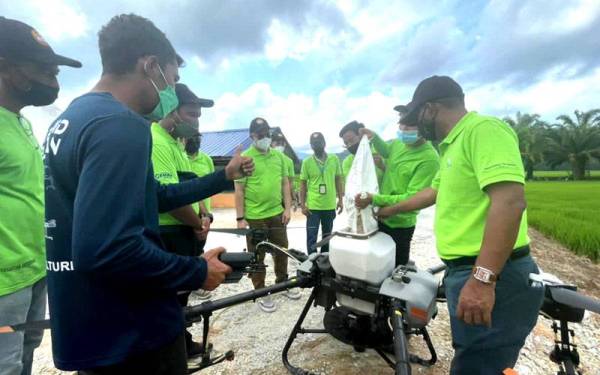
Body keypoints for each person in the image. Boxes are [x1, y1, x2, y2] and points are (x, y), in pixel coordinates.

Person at [43, 14, 253, 374]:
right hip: (133, 332)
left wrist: (221, 178)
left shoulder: (74, 118)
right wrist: (195, 270)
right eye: (172, 80)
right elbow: (107, 249)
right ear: (150, 65)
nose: (171, 91)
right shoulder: (120, 125)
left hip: (94, 326)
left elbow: (153, 194)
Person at [377, 76, 543, 374]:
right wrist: (390, 210)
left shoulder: (483, 130)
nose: (415, 126)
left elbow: (509, 203)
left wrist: (482, 280)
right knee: (472, 355)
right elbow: (434, 191)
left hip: (493, 273)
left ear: (430, 109)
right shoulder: (451, 146)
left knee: (480, 366)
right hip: (469, 271)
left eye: (417, 118)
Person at [0, 17, 81, 375]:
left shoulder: (21, 122)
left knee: (26, 356)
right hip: (3, 283)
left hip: (33, 270)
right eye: (44, 70)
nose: (54, 81)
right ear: (6, 68)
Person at [150, 83, 215, 357]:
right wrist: (195, 223)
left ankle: (181, 343)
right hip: (168, 232)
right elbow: (170, 199)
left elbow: (189, 188)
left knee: (181, 296)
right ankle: (171, 352)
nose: (196, 120)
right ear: (172, 111)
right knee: (168, 298)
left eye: (199, 114)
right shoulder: (156, 141)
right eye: (191, 113)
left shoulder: (177, 144)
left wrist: (204, 216)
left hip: (185, 230)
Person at [354, 106, 439, 266]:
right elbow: (387, 151)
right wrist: (373, 137)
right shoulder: (398, 143)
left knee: (396, 268)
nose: (403, 128)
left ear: (424, 126)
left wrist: (375, 199)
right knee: (376, 264)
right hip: (381, 217)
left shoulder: (428, 159)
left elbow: (412, 198)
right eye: (401, 123)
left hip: (400, 224)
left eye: (410, 124)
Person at [234, 117, 301, 313]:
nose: (265, 138)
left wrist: (287, 208)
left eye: (267, 134)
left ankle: (282, 282)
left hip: (277, 213)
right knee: (257, 255)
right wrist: (240, 219)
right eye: (260, 134)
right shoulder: (245, 158)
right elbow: (239, 191)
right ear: (252, 136)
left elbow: (285, 184)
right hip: (255, 216)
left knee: (282, 250)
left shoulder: (278, 157)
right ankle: (260, 291)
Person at [299, 132, 343, 254]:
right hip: (313, 207)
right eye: (314, 143)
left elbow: (338, 179)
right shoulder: (307, 162)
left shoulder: (334, 159)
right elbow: (302, 184)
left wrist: (341, 199)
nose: (317, 145)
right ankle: (312, 262)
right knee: (311, 236)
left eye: (319, 142)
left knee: (327, 236)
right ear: (311, 145)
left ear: (324, 143)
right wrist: (302, 205)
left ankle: (324, 261)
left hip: (329, 206)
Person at [271, 132, 297, 210]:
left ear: (285, 145)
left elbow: (291, 183)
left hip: (283, 199)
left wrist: (294, 199)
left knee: (282, 221)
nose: (279, 145)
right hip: (269, 199)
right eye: (277, 143)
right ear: (271, 143)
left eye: (281, 143)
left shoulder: (289, 161)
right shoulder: (266, 159)